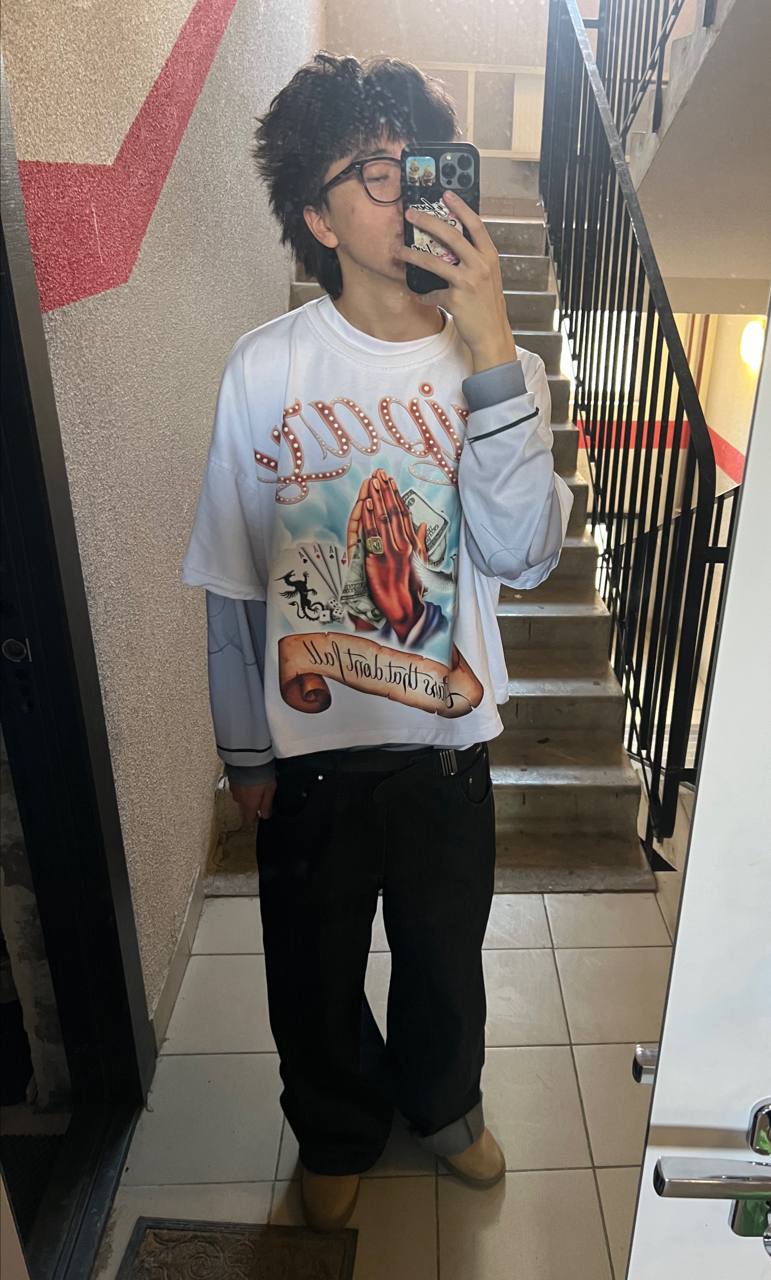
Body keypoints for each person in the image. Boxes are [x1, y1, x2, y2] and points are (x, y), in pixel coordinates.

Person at [182, 51, 573, 1232]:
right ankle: (339, 1125)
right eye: (372, 170)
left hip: (448, 753)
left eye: (417, 162)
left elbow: (523, 555)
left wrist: (493, 347)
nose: (405, 188)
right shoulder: (267, 368)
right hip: (309, 758)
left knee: (447, 961)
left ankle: (444, 1107)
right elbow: (232, 583)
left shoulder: (499, 364)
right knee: (311, 970)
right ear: (318, 215)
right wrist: (244, 749)